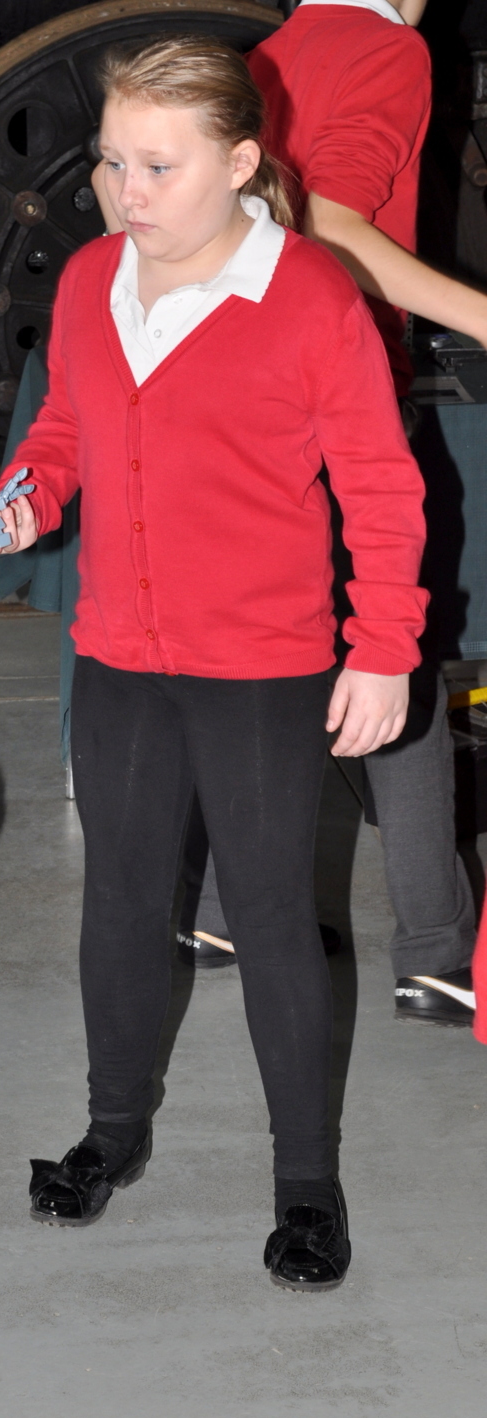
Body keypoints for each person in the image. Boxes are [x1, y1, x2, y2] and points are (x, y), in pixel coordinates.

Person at [0, 35, 428, 1290]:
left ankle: (307, 1184)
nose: (126, 191)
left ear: (236, 163)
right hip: (120, 653)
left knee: (272, 918)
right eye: (112, 161)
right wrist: (25, 498)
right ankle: (110, 1131)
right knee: (120, 902)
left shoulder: (311, 295)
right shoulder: (91, 280)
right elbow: (62, 428)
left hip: (261, 667)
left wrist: (382, 650)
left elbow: (382, 490)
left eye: (158, 166)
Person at [176, 0, 480, 1027]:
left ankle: (221, 910)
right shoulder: (389, 49)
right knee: (396, 655)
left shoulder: (264, 57)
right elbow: (335, 230)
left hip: (240, 394)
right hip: (337, 389)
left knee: (280, 645)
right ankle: (435, 950)